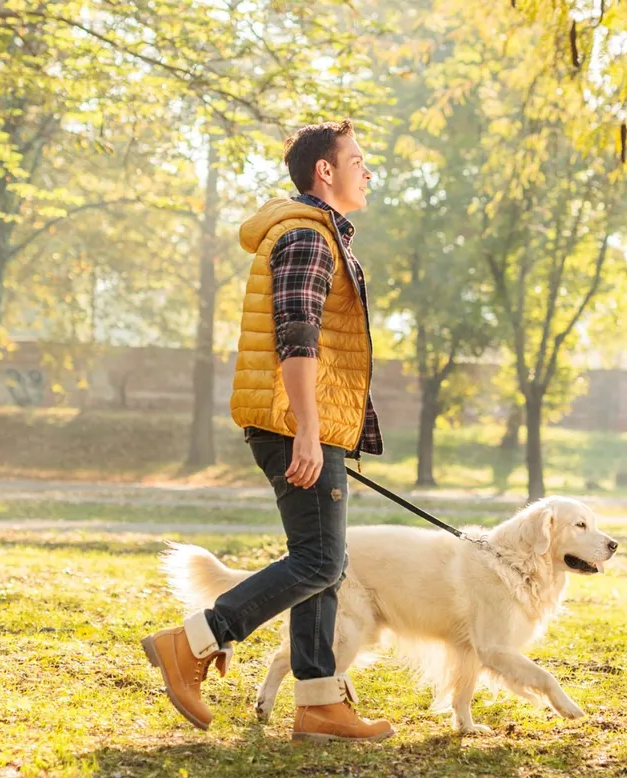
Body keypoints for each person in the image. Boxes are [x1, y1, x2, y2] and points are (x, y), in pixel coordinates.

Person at [142, 119, 393, 742]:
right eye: (357, 160)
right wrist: (309, 430)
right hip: (293, 425)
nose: (368, 171)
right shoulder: (308, 236)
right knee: (321, 559)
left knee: (325, 565)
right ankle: (193, 641)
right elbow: (297, 333)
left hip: (308, 424)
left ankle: (318, 703)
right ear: (324, 171)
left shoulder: (321, 234)